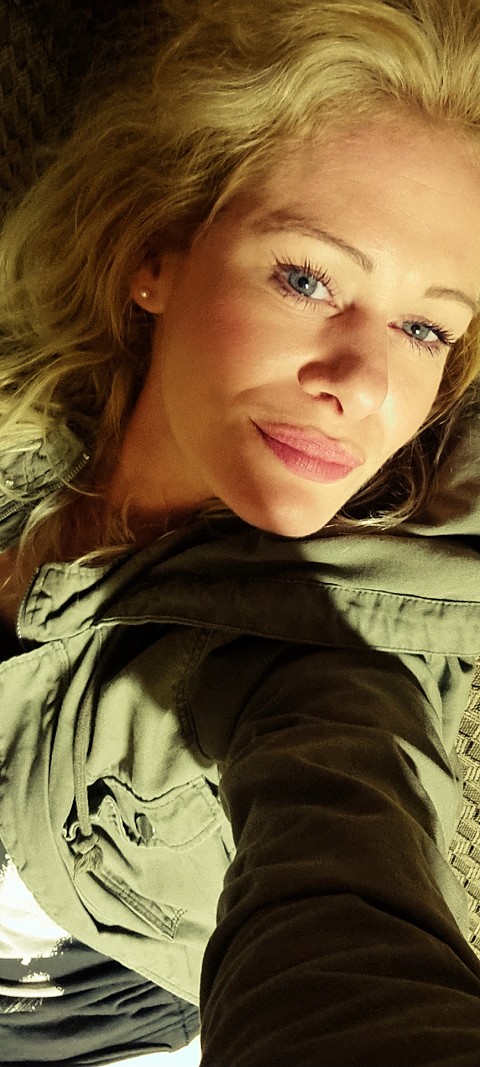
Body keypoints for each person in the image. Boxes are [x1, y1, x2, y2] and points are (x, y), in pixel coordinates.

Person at [1, 0, 480, 1064]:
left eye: (424, 327)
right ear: (157, 255)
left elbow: (350, 909)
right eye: (308, 278)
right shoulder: (27, 417)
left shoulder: (323, 666)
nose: (365, 384)